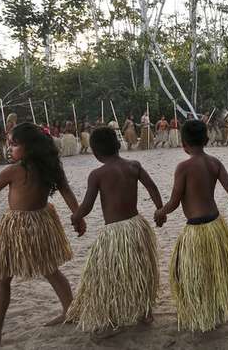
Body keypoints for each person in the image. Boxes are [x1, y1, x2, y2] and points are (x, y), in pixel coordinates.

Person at [0, 123, 86, 348]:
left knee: (2, 278)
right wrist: (78, 216)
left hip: (19, 226)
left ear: (29, 147)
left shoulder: (13, 170)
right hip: (41, 222)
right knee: (50, 269)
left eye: (14, 144)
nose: (9, 148)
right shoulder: (51, 167)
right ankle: (70, 310)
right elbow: (67, 192)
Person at [66, 127, 164, 336]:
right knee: (140, 270)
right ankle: (145, 312)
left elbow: (87, 206)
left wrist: (76, 216)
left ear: (95, 151)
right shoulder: (134, 165)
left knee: (111, 276)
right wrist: (159, 210)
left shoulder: (97, 174)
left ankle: (112, 320)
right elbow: (153, 188)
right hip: (137, 226)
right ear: (117, 145)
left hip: (116, 233)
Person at [153, 120, 228, 332]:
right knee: (214, 269)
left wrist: (160, 212)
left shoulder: (183, 167)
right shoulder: (214, 162)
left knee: (183, 271)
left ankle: (201, 310)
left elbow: (175, 201)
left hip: (196, 229)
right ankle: (214, 309)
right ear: (206, 140)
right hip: (215, 225)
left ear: (184, 144)